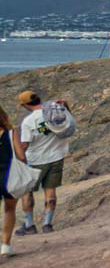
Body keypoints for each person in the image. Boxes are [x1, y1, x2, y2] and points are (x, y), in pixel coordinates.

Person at [14, 90, 73, 236]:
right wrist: (65, 105)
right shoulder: (57, 111)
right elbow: (69, 122)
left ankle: (29, 226)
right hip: (56, 157)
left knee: (26, 193)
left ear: (26, 105)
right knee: (50, 191)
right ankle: (47, 224)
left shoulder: (29, 121)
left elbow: (25, 145)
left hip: (34, 161)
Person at [1, 100, 20, 258]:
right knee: (9, 209)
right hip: (9, 175)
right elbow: (20, 155)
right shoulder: (12, 133)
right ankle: (6, 245)